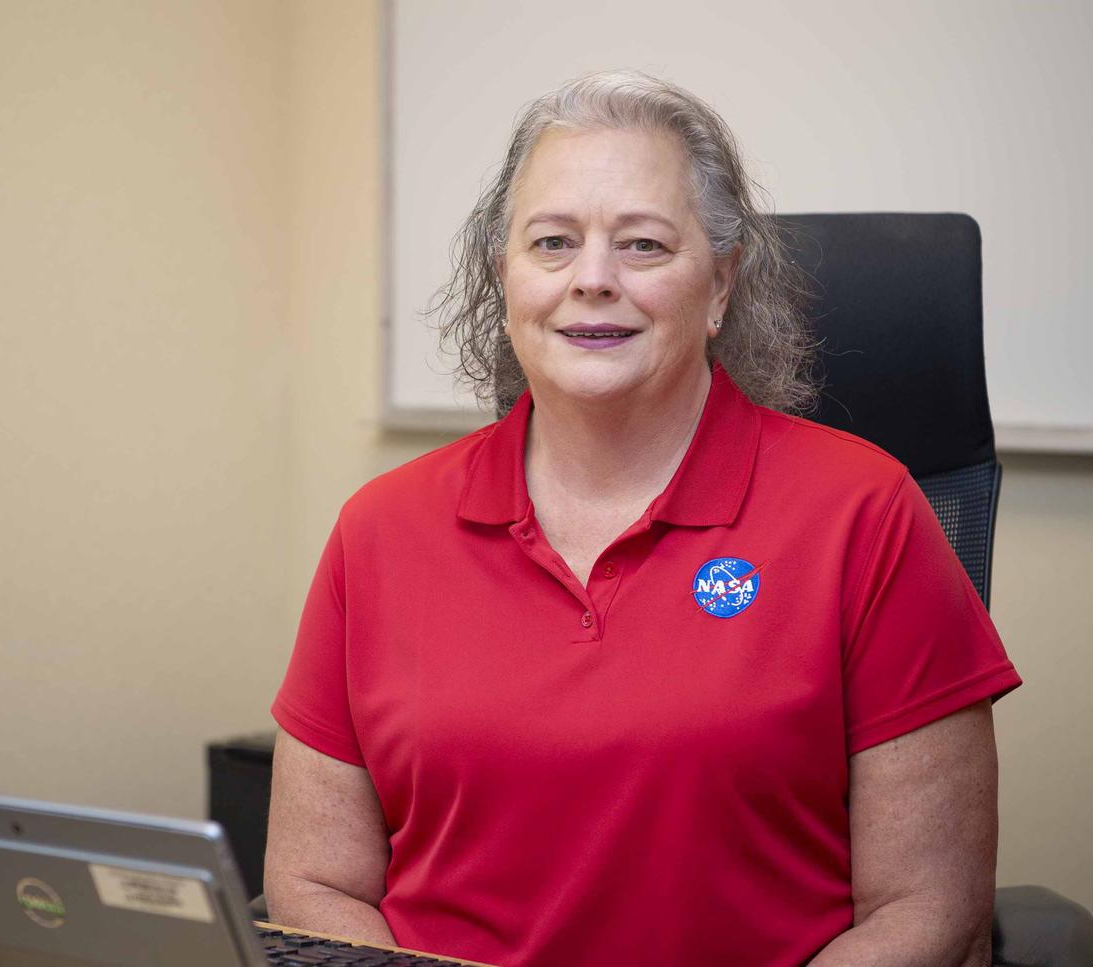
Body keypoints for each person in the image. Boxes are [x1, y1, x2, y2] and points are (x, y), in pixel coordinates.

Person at [264, 71, 1021, 967]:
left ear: (721, 285)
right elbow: (316, 887)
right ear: (504, 279)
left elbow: (927, 909)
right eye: (551, 242)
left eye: (644, 246)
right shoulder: (380, 529)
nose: (592, 280)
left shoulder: (867, 512)